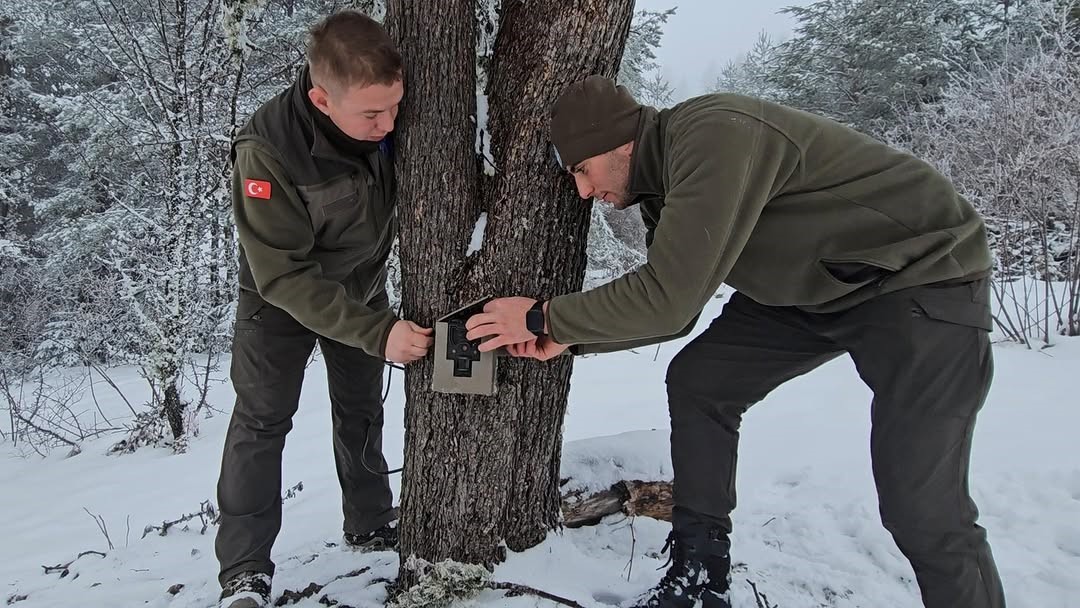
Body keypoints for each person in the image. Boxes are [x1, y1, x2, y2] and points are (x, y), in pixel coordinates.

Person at [466, 75, 1005, 608]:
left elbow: (668, 298)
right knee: (702, 381)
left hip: (919, 277)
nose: (585, 192)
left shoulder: (713, 133)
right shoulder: (660, 187)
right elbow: (676, 315)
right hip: (808, 295)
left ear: (618, 141)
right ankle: (698, 578)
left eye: (583, 169)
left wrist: (543, 319)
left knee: (922, 506)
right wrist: (569, 339)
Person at [215, 11, 433, 608]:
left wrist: (370, 319)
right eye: (372, 115)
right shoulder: (268, 149)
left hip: (359, 290)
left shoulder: (382, 112)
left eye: (394, 109)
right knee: (261, 424)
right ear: (321, 98)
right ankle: (244, 571)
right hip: (279, 300)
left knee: (360, 410)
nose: (389, 125)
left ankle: (369, 523)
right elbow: (283, 272)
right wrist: (377, 333)